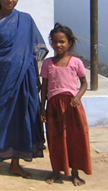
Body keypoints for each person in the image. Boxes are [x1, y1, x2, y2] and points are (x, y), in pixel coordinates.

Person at [0, 0, 48, 181]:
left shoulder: (26, 20)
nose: (10, 0)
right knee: (0, 118)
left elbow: (37, 48)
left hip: (25, 77)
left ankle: (15, 164)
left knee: (21, 119)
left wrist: (34, 74)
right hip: (2, 76)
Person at [40, 23, 92, 186]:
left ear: (69, 43)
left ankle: (74, 172)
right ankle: (56, 171)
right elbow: (44, 88)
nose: (58, 45)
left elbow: (84, 83)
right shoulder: (48, 63)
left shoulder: (76, 62)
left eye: (62, 41)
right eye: (55, 42)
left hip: (72, 107)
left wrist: (77, 97)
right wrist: (42, 108)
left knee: (74, 138)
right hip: (54, 107)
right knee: (55, 139)